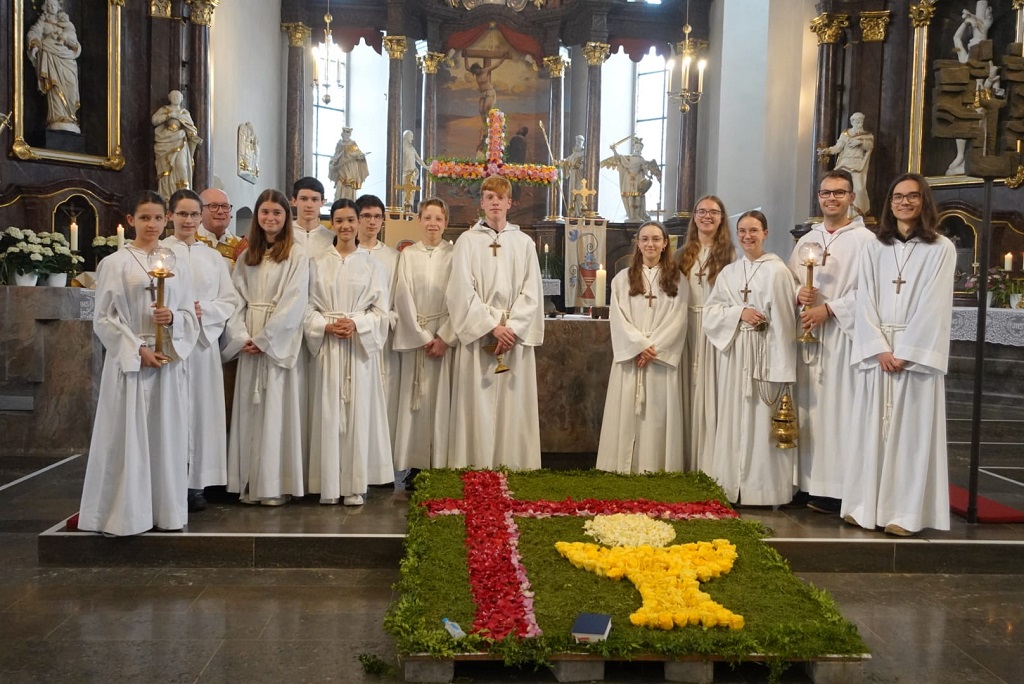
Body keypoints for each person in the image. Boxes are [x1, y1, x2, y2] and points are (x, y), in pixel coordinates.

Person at [78, 191, 200, 536]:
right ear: (131, 221)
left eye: (158, 218)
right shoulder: (115, 264)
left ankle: (165, 511)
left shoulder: (177, 263)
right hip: (133, 362)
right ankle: (126, 513)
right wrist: (137, 349)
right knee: (128, 438)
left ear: (167, 220)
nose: (152, 224)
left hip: (168, 360)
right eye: (144, 218)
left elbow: (191, 314)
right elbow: (104, 318)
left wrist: (173, 316)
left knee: (166, 436)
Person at [842, 173, 956, 536]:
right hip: (880, 354)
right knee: (869, 432)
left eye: (912, 196)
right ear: (889, 203)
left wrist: (906, 352)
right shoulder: (875, 247)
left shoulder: (941, 248)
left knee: (910, 437)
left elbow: (935, 305)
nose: (904, 202)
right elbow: (865, 300)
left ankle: (904, 514)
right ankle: (863, 507)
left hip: (913, 358)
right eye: (897, 197)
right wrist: (878, 348)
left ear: (924, 202)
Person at [789, 170, 875, 515]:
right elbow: (789, 280)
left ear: (851, 197)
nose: (831, 199)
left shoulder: (866, 241)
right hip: (807, 337)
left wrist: (831, 309)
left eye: (839, 193)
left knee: (838, 411)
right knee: (807, 409)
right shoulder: (805, 240)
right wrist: (799, 293)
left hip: (842, 338)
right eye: (826, 193)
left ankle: (836, 488)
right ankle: (804, 482)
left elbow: (872, 292)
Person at [446, 175, 544, 469]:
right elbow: (460, 290)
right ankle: (475, 463)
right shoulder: (467, 241)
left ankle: (514, 463)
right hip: (482, 335)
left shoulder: (524, 242)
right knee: (477, 403)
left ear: (509, 203)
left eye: (500, 198)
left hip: (513, 337)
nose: (495, 203)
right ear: (482, 203)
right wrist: (492, 326)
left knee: (513, 404)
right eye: (489, 197)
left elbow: (532, 291)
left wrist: (511, 328)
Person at [703, 210, 797, 506]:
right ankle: (731, 486)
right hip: (735, 355)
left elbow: (784, 320)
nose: (747, 236)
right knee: (733, 419)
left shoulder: (778, 271)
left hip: (765, 354)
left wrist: (781, 366)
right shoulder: (730, 272)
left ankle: (763, 490)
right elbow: (711, 312)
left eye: (753, 230)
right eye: (742, 231)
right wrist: (739, 313)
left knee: (760, 422)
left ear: (765, 233)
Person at [222, 189, 309, 506]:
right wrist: (242, 335)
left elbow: (294, 302)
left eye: (277, 213)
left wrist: (264, 339)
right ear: (257, 217)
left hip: (275, 343)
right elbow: (235, 300)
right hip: (249, 340)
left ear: (286, 218)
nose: (270, 218)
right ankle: (248, 483)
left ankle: (274, 486)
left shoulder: (297, 255)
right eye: (265, 212)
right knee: (250, 411)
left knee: (276, 412)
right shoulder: (247, 256)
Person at [305, 199, 393, 506]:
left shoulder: (373, 265)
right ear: (332, 223)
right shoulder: (316, 263)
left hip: (358, 350)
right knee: (328, 412)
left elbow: (382, 312)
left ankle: (355, 483)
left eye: (350, 220)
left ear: (358, 223)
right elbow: (306, 308)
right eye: (339, 220)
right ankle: (327, 483)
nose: (345, 226)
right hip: (328, 346)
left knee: (358, 414)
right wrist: (324, 326)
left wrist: (356, 323)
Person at [162, 189, 239, 512]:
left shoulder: (214, 258)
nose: (189, 220)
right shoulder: (160, 252)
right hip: (169, 344)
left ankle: (197, 484)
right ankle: (168, 479)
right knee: (171, 413)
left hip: (203, 345)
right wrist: (176, 317)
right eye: (183, 214)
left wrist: (202, 310)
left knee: (202, 413)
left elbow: (230, 300)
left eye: (194, 214)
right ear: (170, 216)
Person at [596, 221, 687, 473]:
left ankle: (655, 466)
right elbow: (618, 317)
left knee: (657, 415)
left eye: (656, 239)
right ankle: (620, 466)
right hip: (632, 356)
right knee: (625, 413)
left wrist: (652, 348)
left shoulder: (677, 279)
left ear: (665, 243)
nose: (650, 244)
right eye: (645, 239)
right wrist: (638, 346)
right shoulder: (622, 279)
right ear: (637, 243)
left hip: (658, 357)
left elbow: (679, 319)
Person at [392, 198, 458, 485]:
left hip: (444, 338)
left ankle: (441, 462)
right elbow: (401, 296)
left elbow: (461, 298)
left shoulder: (455, 255)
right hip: (417, 337)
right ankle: (414, 465)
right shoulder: (408, 255)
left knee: (442, 401)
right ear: (418, 220)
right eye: (427, 217)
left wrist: (445, 336)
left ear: (445, 223)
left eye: (438, 219)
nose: (433, 224)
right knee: (414, 402)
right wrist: (420, 337)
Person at [674, 195, 736, 472]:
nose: (707, 216)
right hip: (685, 326)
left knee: (711, 389)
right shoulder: (680, 254)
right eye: (701, 211)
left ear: (722, 218)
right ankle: (684, 457)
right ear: (694, 217)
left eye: (713, 211)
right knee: (686, 388)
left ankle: (709, 462)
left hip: (715, 330)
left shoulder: (731, 256)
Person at [356, 194, 401, 465]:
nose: (372, 222)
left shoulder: (392, 257)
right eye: (366, 216)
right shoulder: (346, 253)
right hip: (351, 335)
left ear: (383, 220)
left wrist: (385, 320)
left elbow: (396, 297)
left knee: (383, 399)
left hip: (382, 337)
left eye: (376, 216)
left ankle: (379, 464)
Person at [26, 0, 81, 133]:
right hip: (50, 56)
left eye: (54, 5)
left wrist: (67, 39)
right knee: (55, 88)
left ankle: (70, 117)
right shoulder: (42, 22)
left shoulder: (66, 23)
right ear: (45, 7)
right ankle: (57, 117)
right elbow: (34, 33)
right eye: (49, 5)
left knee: (71, 85)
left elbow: (74, 41)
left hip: (66, 59)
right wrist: (34, 45)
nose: (52, 7)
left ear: (58, 7)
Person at [817, 113, 874, 216]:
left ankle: (856, 214)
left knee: (859, 189)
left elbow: (870, 147)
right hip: (845, 163)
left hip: (858, 165)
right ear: (852, 122)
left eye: (860, 121)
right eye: (856, 121)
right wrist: (828, 150)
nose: (859, 123)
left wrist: (860, 143)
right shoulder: (845, 134)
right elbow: (838, 147)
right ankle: (844, 213)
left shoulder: (867, 135)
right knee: (840, 188)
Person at [152, 90, 202, 201]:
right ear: (169, 97)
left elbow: (192, 129)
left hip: (180, 140)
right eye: (173, 96)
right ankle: (166, 195)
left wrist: (191, 135)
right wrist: (169, 115)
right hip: (165, 141)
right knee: (166, 168)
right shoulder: (164, 110)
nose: (175, 98)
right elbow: (154, 120)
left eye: (178, 96)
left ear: (182, 98)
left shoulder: (184, 113)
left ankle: (184, 194)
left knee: (182, 166)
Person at [600, 136, 662, 223]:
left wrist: (648, 176)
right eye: (636, 147)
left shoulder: (642, 159)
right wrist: (614, 150)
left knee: (638, 197)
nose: (638, 148)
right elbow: (618, 158)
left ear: (641, 149)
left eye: (639, 147)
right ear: (634, 147)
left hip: (638, 179)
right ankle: (631, 216)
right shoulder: (628, 158)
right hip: (628, 179)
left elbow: (645, 169)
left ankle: (637, 215)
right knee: (629, 197)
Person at [197, 187, 244, 266]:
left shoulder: (241, 247)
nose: (220, 211)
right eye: (213, 206)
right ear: (199, 211)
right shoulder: (189, 243)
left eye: (225, 206)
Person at [290, 176, 334, 254]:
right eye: (304, 199)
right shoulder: (284, 235)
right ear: (294, 201)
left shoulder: (331, 238)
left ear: (322, 202)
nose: (309, 205)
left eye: (314, 199)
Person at [328, 128, 369, 201]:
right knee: (339, 186)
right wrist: (333, 162)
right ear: (342, 134)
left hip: (350, 169)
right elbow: (336, 155)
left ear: (349, 135)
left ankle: (350, 204)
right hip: (341, 168)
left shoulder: (352, 144)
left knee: (349, 187)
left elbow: (358, 153)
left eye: (348, 134)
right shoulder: (339, 144)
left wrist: (360, 156)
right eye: (344, 134)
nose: (346, 135)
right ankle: (338, 202)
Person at [464, 54, 507, 124]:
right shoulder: (475, 73)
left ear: (479, 68)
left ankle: (492, 121)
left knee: (486, 109)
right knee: (481, 110)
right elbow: (467, 67)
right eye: (474, 72)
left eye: (476, 71)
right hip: (483, 94)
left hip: (490, 92)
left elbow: (497, 64)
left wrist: (504, 57)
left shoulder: (485, 70)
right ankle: (486, 125)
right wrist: (466, 57)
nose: (476, 73)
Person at [560, 135, 586, 217]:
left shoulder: (584, 153)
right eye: (577, 141)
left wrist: (580, 166)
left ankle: (580, 212)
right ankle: (574, 212)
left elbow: (586, 165)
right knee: (572, 193)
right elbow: (567, 161)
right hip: (573, 176)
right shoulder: (574, 154)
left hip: (580, 177)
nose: (578, 143)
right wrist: (561, 162)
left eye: (579, 142)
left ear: (583, 142)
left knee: (579, 194)